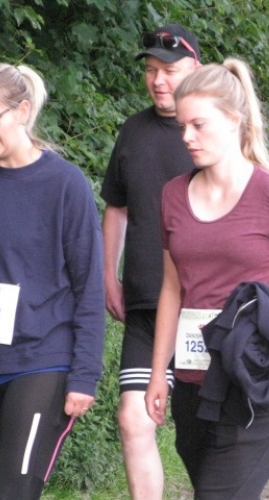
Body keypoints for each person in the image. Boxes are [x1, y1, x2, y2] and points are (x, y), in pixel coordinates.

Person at [144, 58, 269, 500]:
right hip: (194, 382)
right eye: (182, 126)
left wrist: (263, 327)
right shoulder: (173, 195)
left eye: (198, 125)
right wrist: (157, 373)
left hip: (256, 381)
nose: (187, 137)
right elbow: (172, 288)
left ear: (232, 121)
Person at [100, 24, 200, 500]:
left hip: (206, 308)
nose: (159, 80)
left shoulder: (215, 134)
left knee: (200, 433)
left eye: (170, 70)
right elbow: (117, 208)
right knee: (132, 418)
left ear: (196, 68)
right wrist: (108, 275)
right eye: (151, 70)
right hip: (145, 302)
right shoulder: (133, 131)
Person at [0, 63, 105, 500]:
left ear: (22, 111)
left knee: (14, 487)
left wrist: (85, 375)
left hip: (42, 357)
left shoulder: (65, 185)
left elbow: (89, 287)